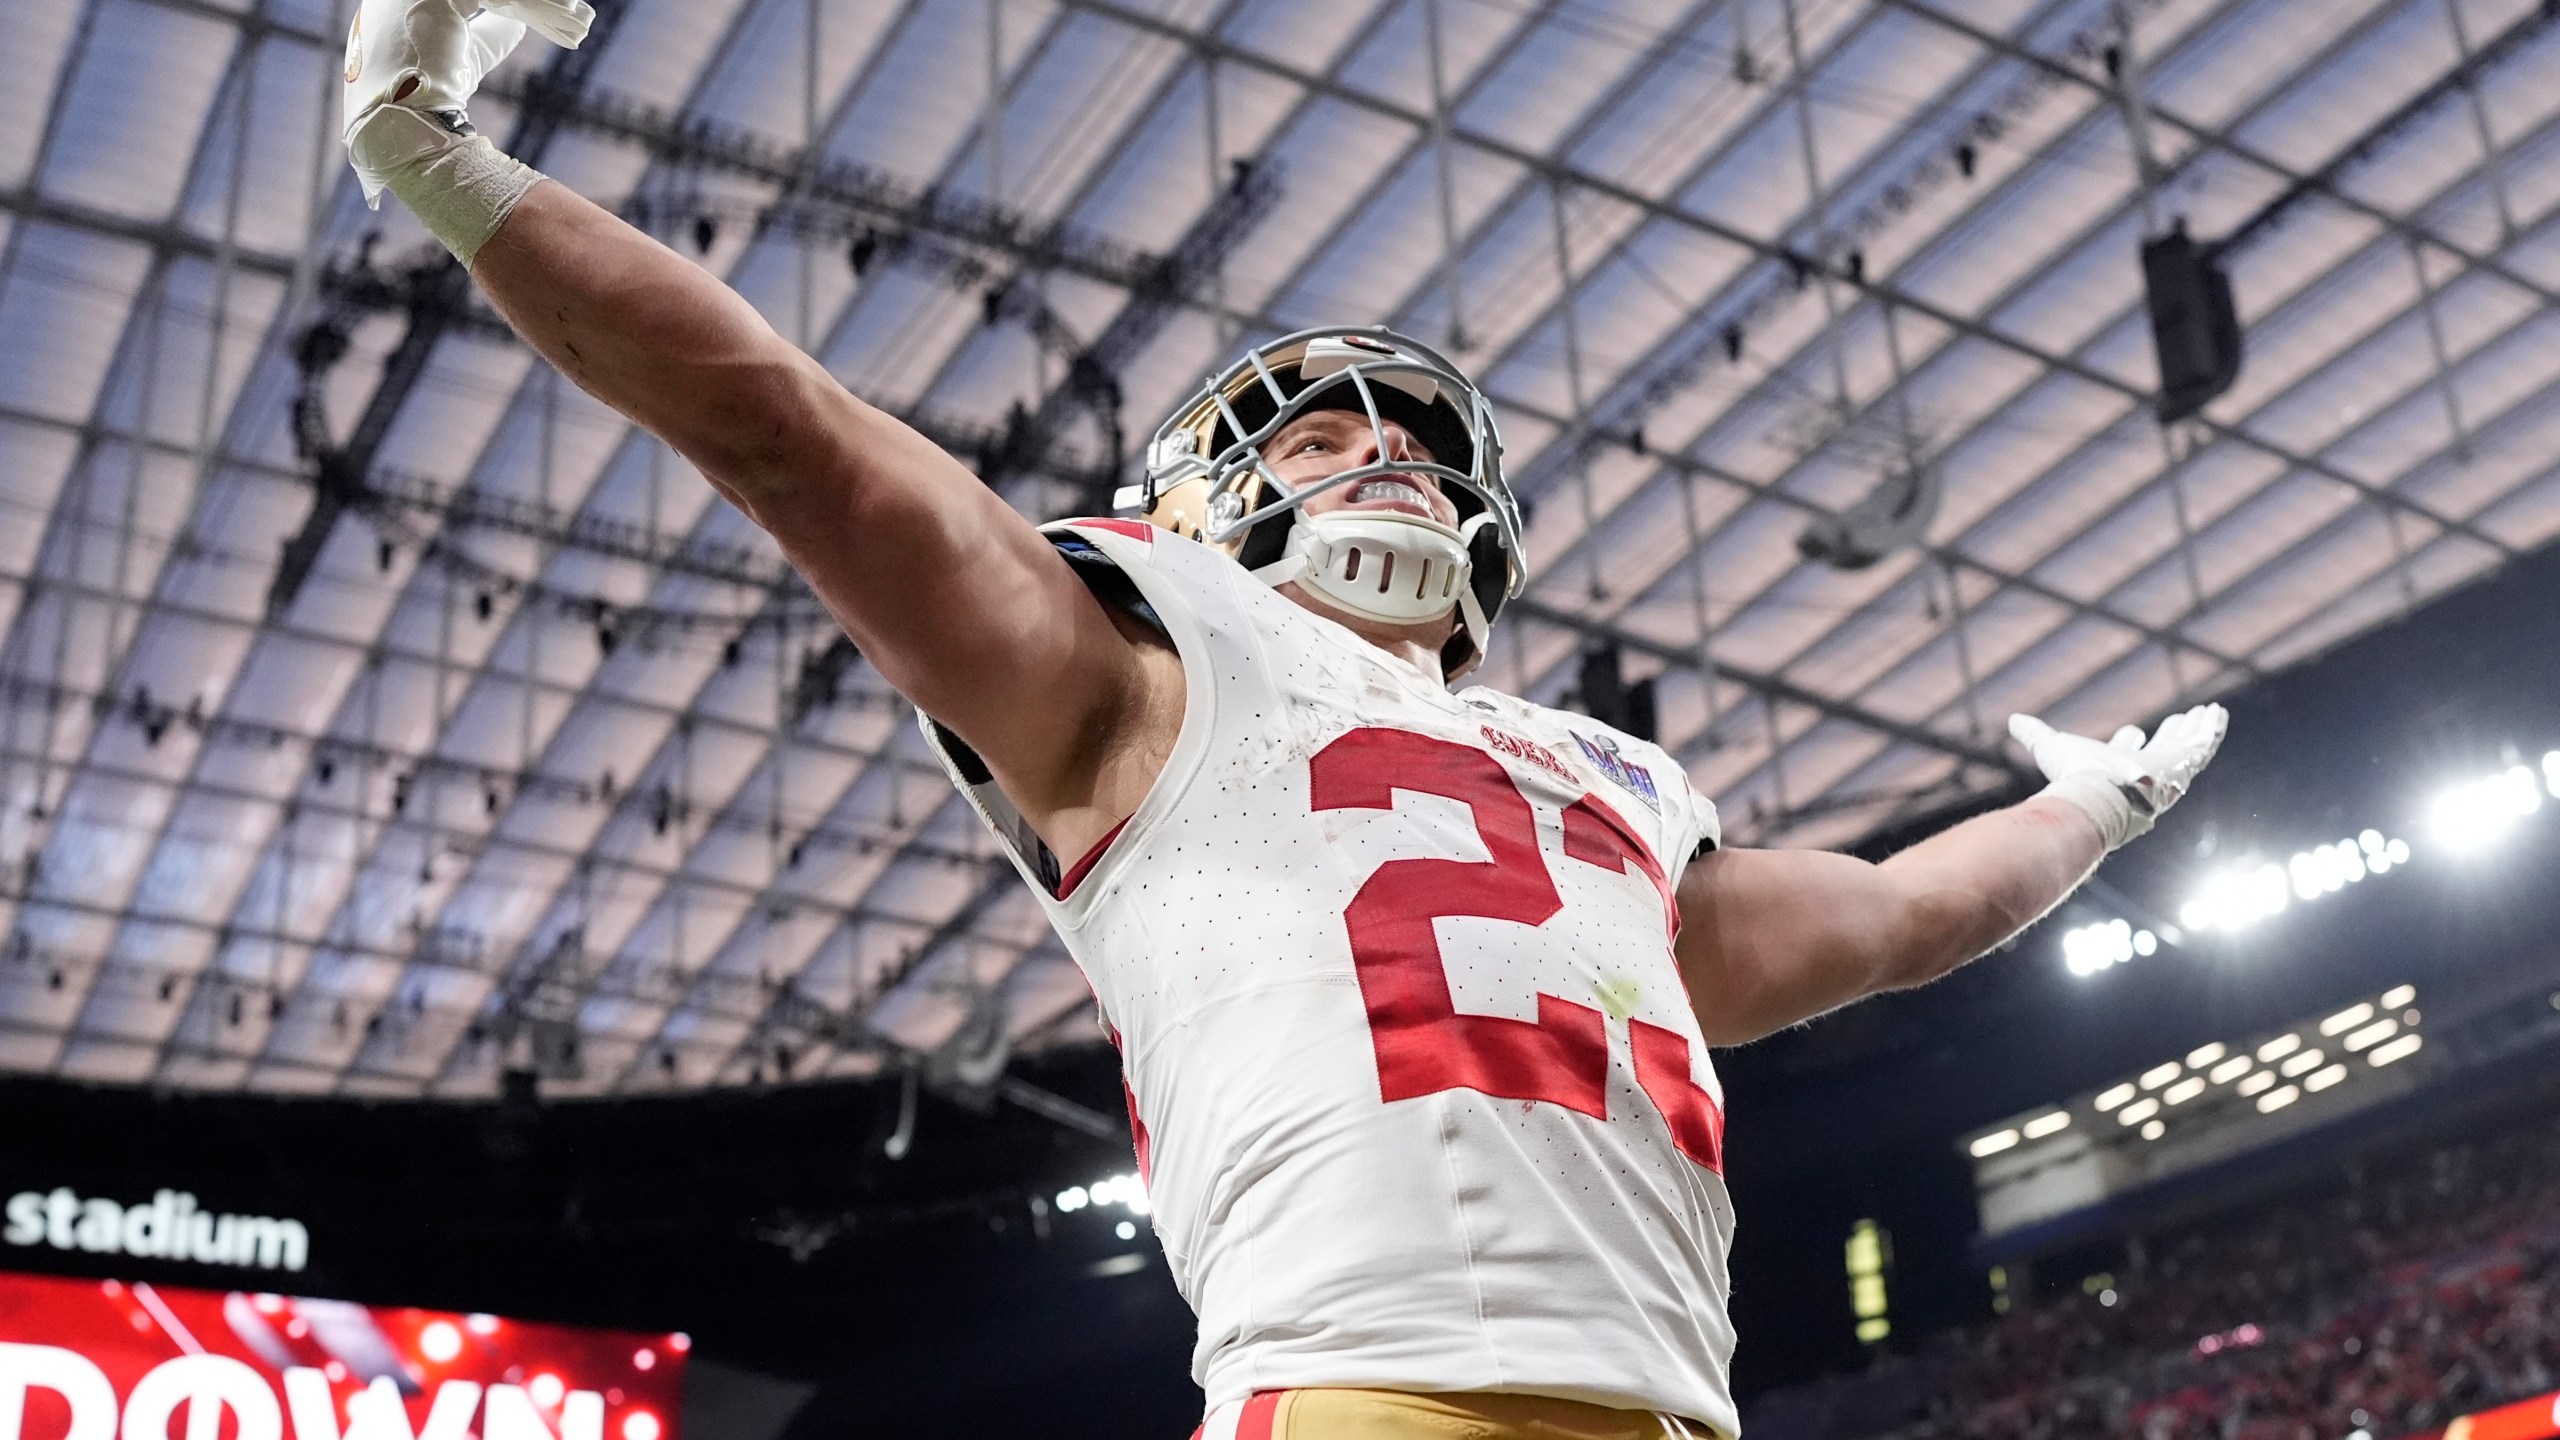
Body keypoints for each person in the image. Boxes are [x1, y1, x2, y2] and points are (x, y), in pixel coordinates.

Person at [338, 7, 2228, 1437]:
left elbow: (1896, 917)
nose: (1384, 459)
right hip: (1364, 1389)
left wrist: (2092, 812)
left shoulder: (1619, 783)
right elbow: (791, 434)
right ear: (1196, 507)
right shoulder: (1146, 662)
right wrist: (441, 159)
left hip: (1673, 1411)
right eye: (1321, 438)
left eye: (1408, 441)